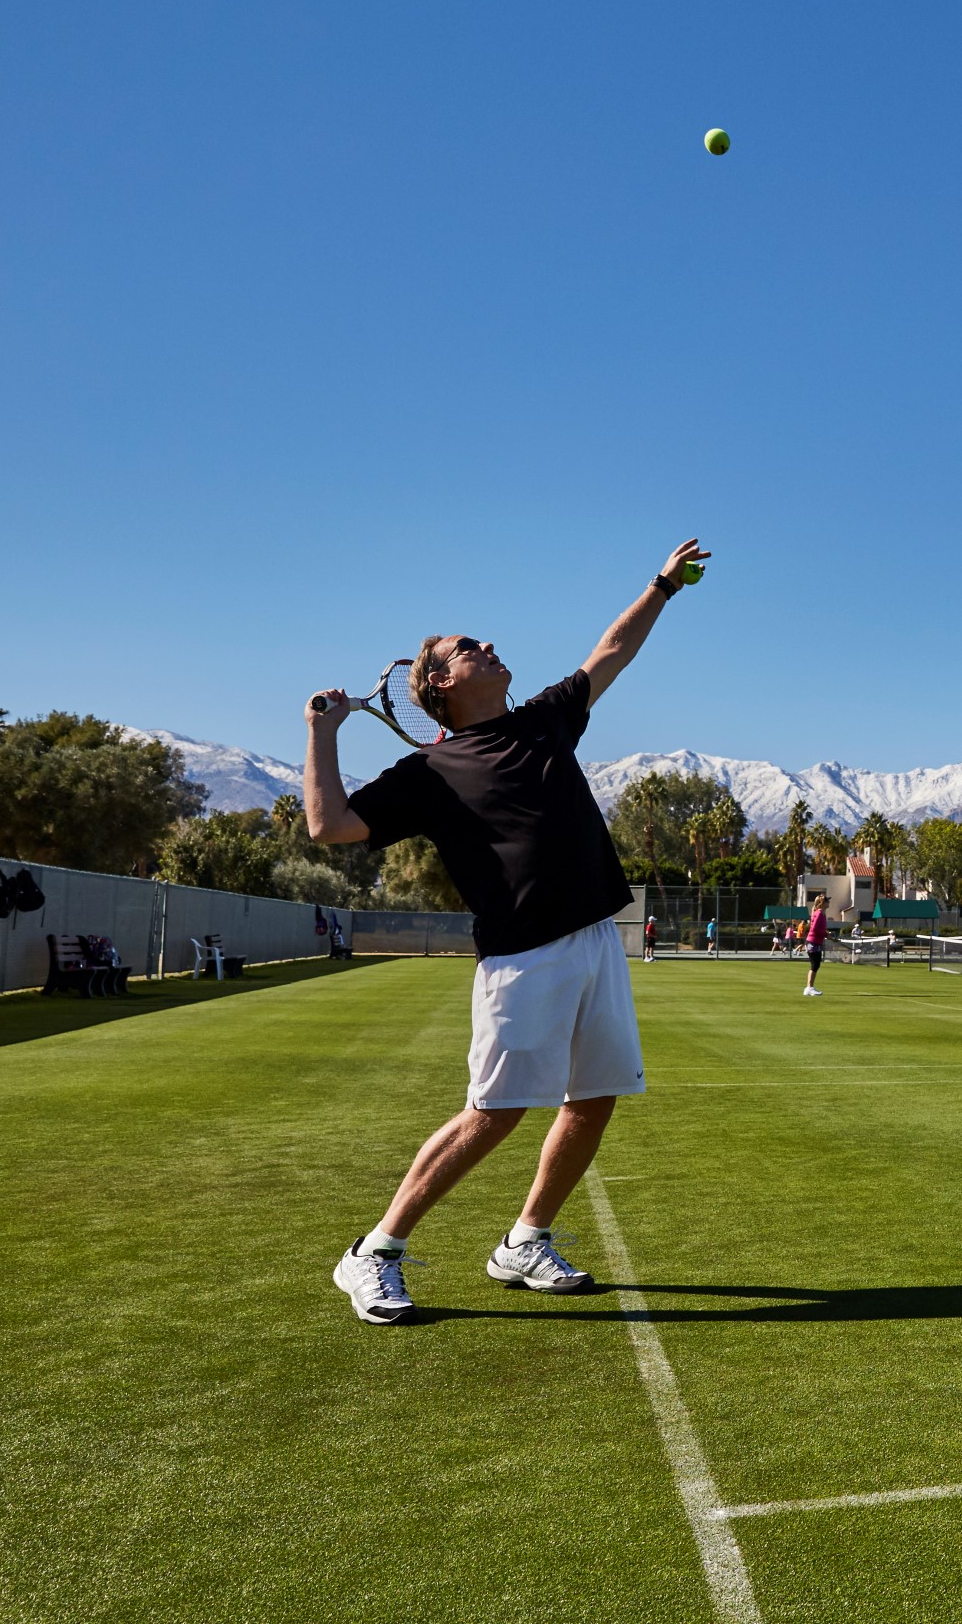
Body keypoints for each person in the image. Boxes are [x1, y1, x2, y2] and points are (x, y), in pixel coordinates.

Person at [305, 537, 710, 1326]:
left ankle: (525, 1239)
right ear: (441, 684)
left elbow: (612, 649)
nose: (489, 646)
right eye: (470, 648)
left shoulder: (545, 719)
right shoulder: (429, 772)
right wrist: (321, 730)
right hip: (523, 961)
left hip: (596, 940)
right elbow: (328, 826)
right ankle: (373, 1252)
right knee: (493, 1112)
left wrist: (663, 584)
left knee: (593, 1099)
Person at [802, 892, 830, 996]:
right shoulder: (818, 914)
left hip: (815, 942)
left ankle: (809, 988)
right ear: (822, 903)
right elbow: (815, 929)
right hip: (813, 942)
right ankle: (809, 987)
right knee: (815, 965)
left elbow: (820, 929)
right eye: (827, 901)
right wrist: (827, 935)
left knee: (816, 965)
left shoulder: (821, 914)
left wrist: (826, 934)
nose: (829, 902)